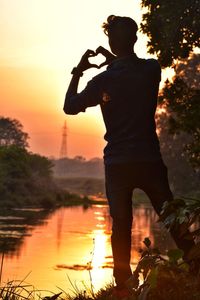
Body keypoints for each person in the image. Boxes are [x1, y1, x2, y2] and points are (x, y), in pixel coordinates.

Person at [63, 15, 195, 296]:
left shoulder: (101, 81)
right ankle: (195, 264)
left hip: (118, 163)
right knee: (170, 215)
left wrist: (79, 70)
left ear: (111, 41)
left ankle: (123, 285)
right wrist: (114, 58)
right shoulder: (151, 69)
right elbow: (129, 68)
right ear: (135, 39)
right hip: (149, 159)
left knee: (121, 225)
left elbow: (69, 107)